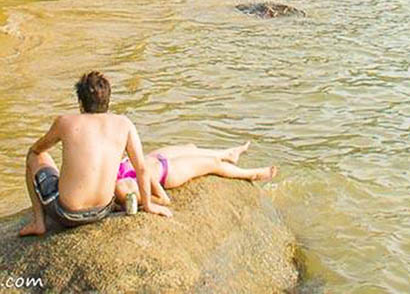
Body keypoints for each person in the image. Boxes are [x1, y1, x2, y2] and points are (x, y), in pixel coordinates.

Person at [19, 72, 171, 235]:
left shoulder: (64, 122)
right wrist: (148, 205)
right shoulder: (124, 124)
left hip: (68, 214)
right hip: (102, 211)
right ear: (108, 100)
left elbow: (37, 148)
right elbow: (141, 169)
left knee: (34, 156)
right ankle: (142, 202)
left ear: (80, 103)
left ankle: (39, 223)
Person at [113, 141, 277, 210]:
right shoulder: (121, 189)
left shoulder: (110, 175)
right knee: (213, 164)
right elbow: (163, 199)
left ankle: (228, 153)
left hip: (154, 159)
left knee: (191, 147)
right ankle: (251, 174)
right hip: (167, 172)